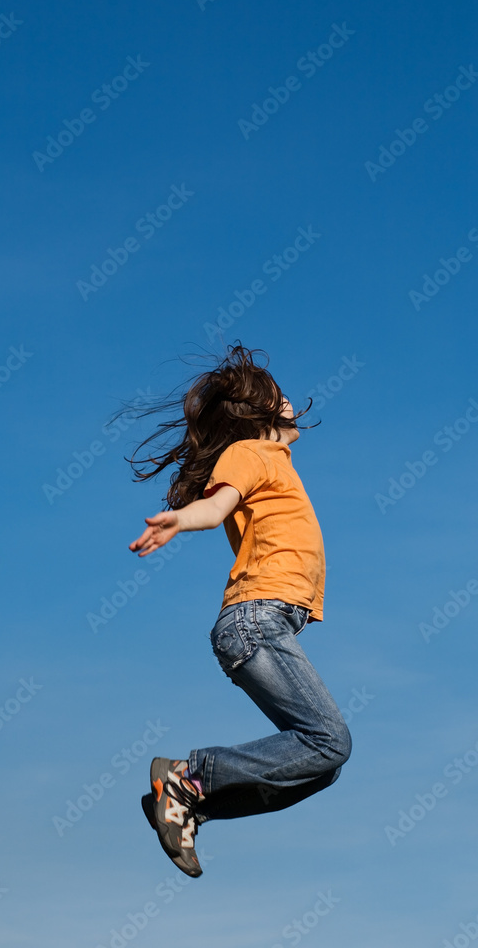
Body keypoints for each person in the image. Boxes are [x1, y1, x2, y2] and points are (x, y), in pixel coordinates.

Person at [125, 343, 352, 878]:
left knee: (319, 766)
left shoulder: (277, 463)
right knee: (329, 741)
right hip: (256, 619)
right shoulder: (250, 453)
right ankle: (189, 775)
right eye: (280, 395)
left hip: (267, 623)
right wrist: (182, 519)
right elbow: (217, 505)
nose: (292, 401)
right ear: (260, 411)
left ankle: (188, 799)